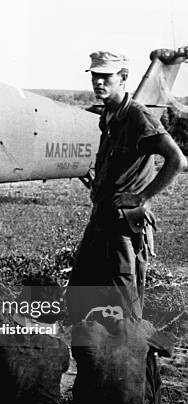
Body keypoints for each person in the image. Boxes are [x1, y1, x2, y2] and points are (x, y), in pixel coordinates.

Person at [66, 51, 186, 323]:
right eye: (95, 76)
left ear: (122, 79)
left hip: (123, 224)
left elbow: (176, 160)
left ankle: (137, 360)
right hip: (101, 216)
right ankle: (95, 358)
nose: (98, 82)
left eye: (105, 76)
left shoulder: (137, 117)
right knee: (80, 293)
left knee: (125, 302)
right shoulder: (109, 115)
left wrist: (143, 196)